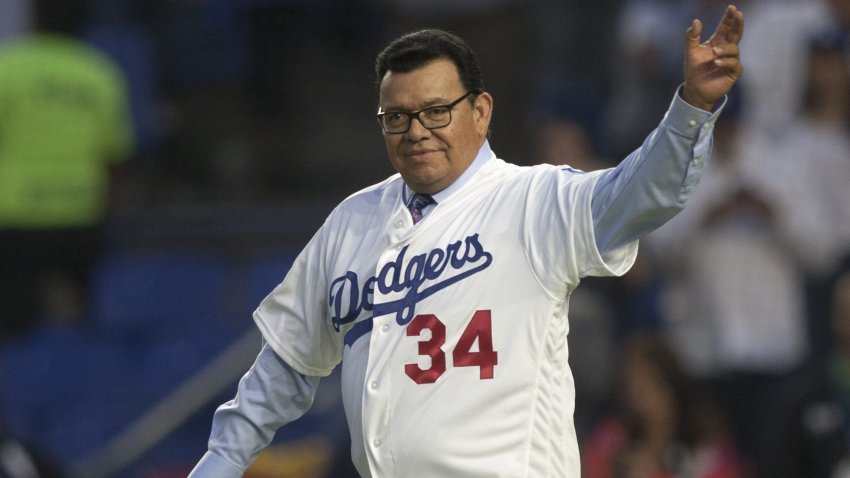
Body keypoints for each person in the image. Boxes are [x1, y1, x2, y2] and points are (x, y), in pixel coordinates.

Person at [189, 5, 744, 477]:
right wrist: (218, 464)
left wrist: (691, 109)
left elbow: (645, 192)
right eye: (397, 117)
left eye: (435, 111)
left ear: (480, 112)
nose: (415, 131)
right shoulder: (352, 223)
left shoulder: (533, 201)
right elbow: (283, 365)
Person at [0, 0, 134, 338]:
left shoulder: (7, 69)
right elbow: (114, 159)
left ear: (35, 18)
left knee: (13, 333)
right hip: (80, 224)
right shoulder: (101, 74)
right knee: (76, 335)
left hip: (13, 226)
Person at [582, 331, 746, 478]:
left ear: (672, 386)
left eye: (649, 385)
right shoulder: (609, 442)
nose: (640, 397)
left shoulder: (708, 446)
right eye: (632, 386)